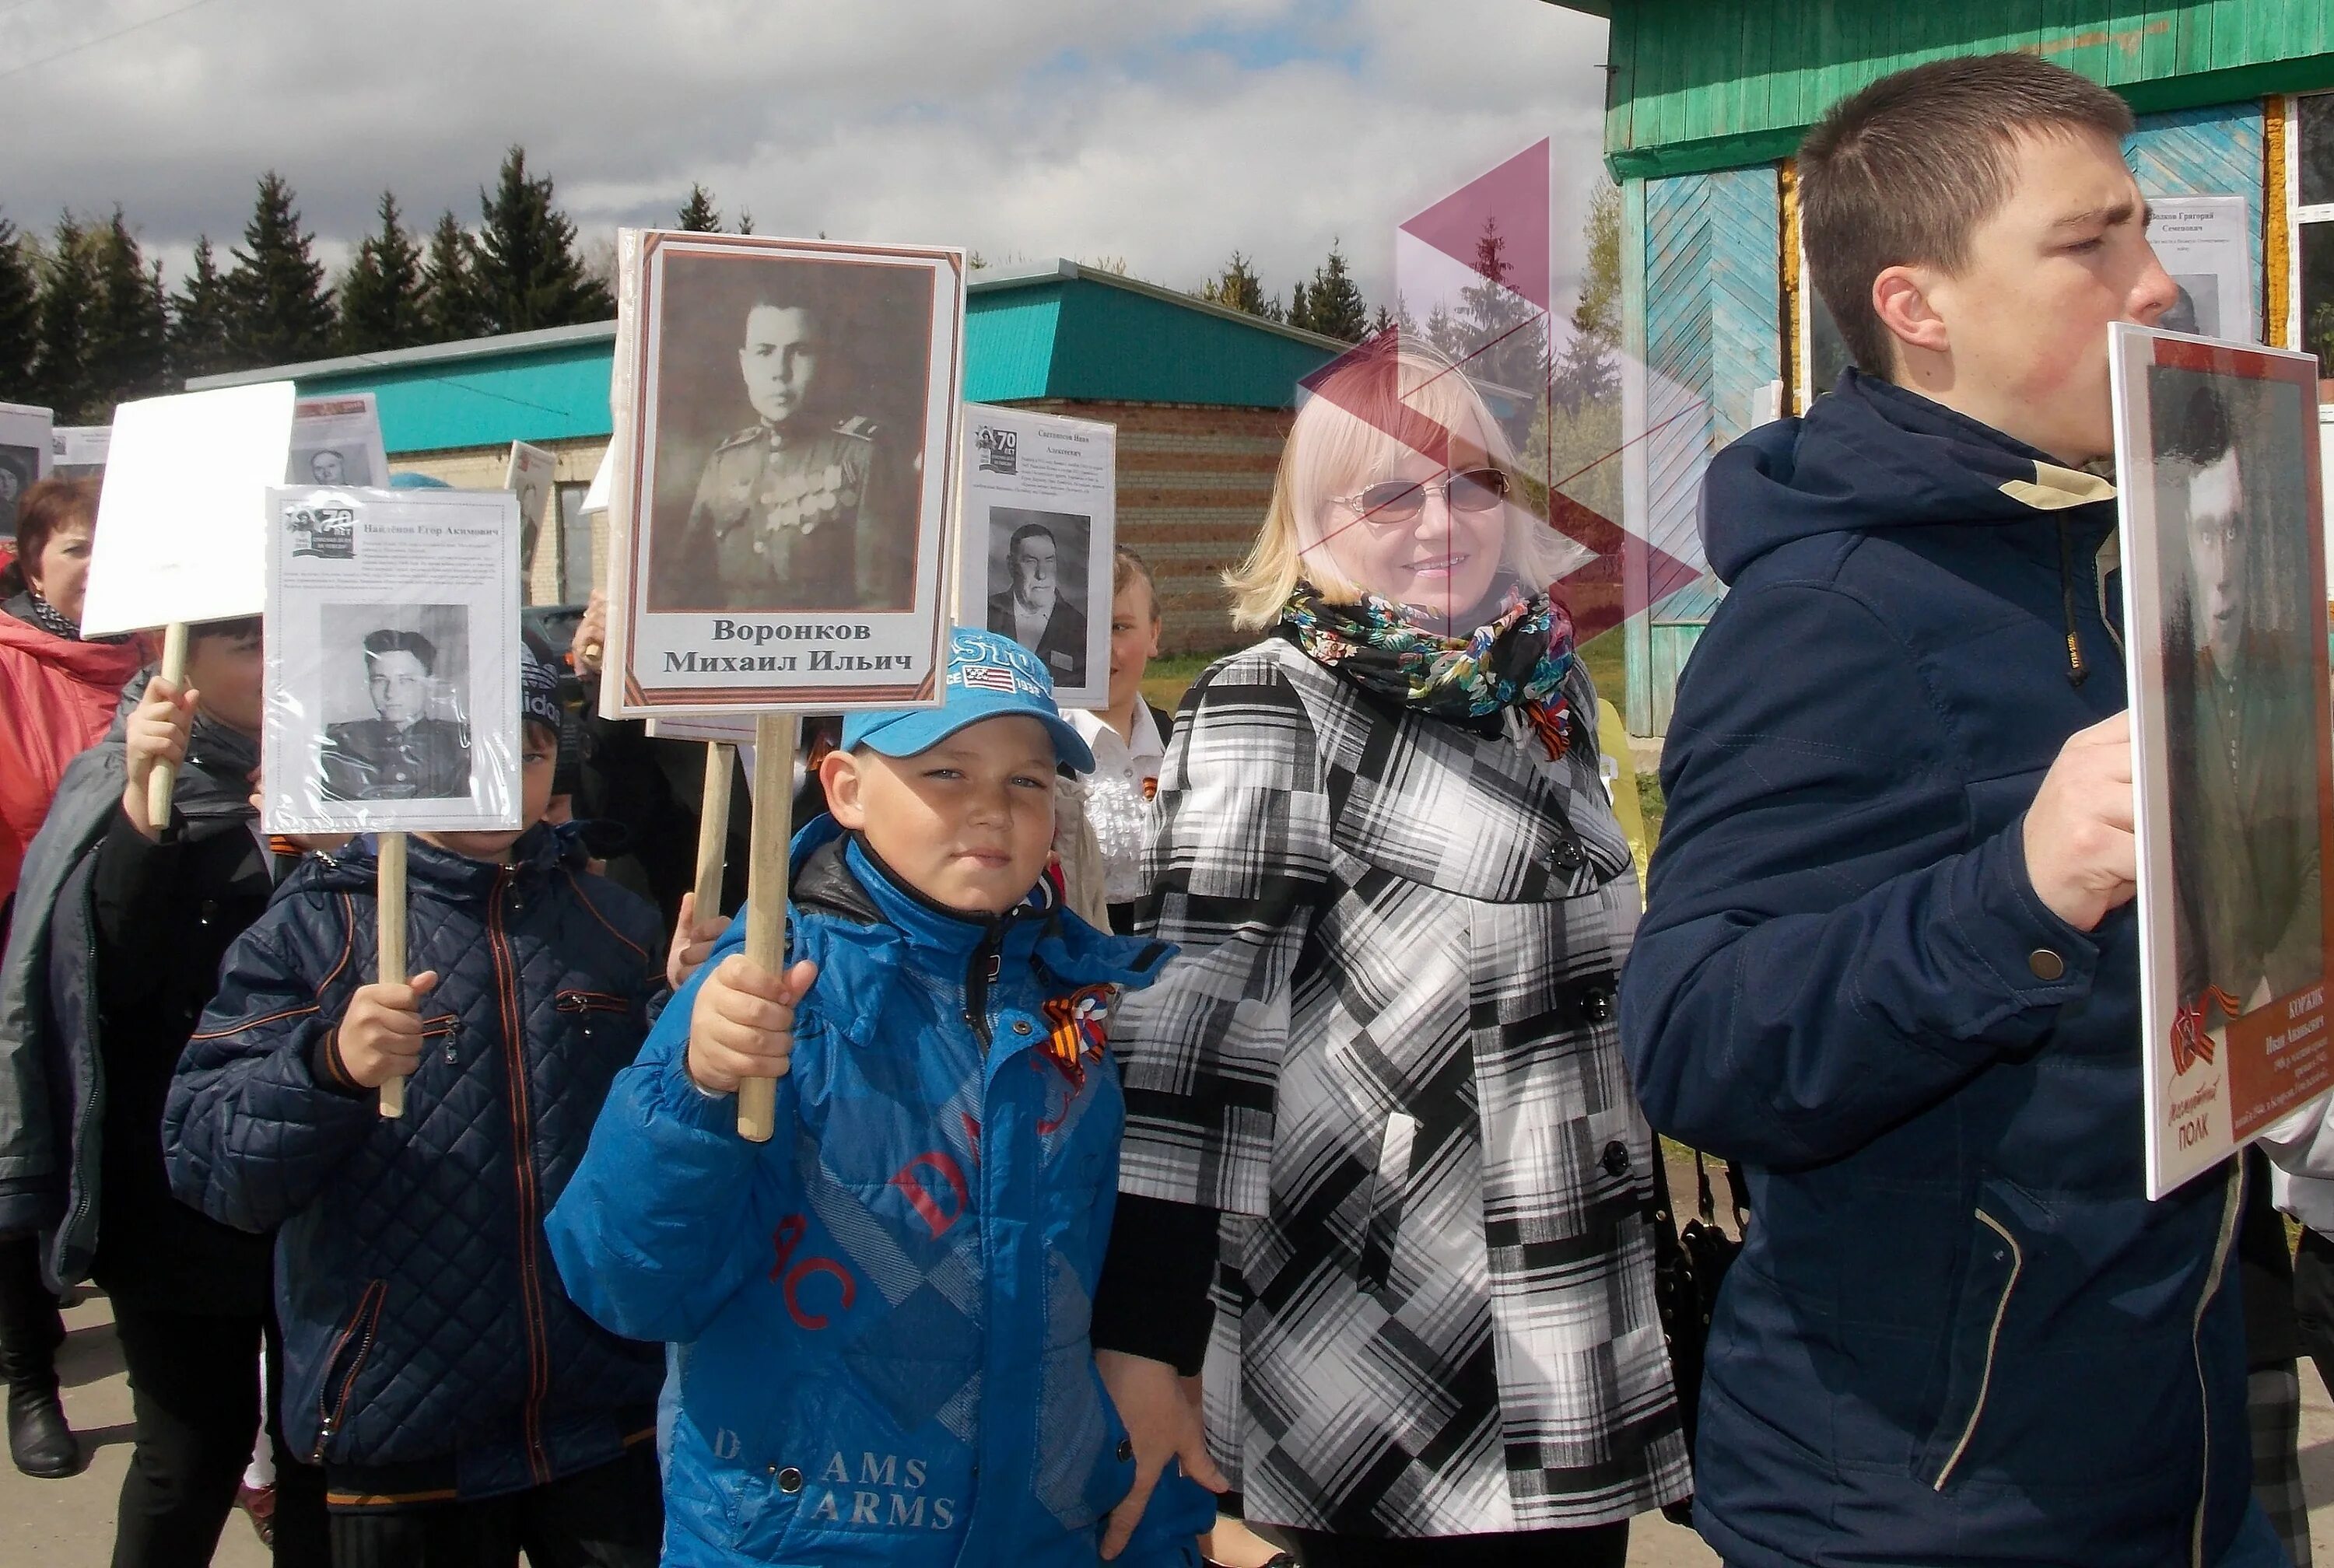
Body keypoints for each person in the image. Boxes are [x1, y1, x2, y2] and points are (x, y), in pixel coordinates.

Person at [1617, 54, 2286, 1568]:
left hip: (2176, 1453)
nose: (2160, 284)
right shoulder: (1829, 615)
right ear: (1920, 307)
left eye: (2145, 234)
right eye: (2091, 243)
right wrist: (2017, 895)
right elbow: (1693, 1040)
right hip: (1929, 1503)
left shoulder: (2135, 554)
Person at [1095, 339, 1687, 1566]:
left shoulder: (1543, 693)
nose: (1443, 520)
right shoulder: (1272, 702)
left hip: (1573, 1314)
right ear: (1310, 526)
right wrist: (1147, 1339)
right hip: (1380, 1347)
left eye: (1474, 482)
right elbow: (1191, 1048)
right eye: (1391, 493)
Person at [544, 628, 1215, 1567]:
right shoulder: (765, 988)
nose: (992, 808)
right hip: (801, 1537)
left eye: (1027, 781)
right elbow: (623, 1281)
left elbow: (1101, 1291)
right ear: (847, 789)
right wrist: (694, 1089)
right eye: (946, 773)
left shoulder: (1080, 1002)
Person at [163, 646, 668, 1566]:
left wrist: (691, 1009)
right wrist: (328, 1071)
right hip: (400, 1419)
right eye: (466, 740)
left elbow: (665, 1140)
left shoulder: (616, 923)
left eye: (532, 746)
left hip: (604, 1410)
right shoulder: (320, 925)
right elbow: (209, 1162)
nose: (500, 772)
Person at [0, 619, 333, 1564]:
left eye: (285, 635)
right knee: (191, 1450)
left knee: (321, 1450)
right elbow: (111, 984)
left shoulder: (345, 777)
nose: (278, 663)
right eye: (247, 645)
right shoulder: (120, 781)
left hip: (318, 1159)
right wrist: (147, 823)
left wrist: (323, 857)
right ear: (180, 662)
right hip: (174, 1181)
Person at [0, 477, 144, 1479]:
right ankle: (27, 1380)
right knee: (19, 1161)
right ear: (32, 559)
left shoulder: (166, 662)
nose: (97, 568)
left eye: (113, 547)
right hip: (19, 958)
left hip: (130, 960)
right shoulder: (10, 668)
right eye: (78, 547)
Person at [2158, 380, 2322, 1024]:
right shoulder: (2160, 700)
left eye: (2233, 531)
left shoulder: (2293, 681)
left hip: (2290, 1022)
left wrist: (2269, 993)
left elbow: (2320, 857)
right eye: (2204, 535)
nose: (2221, 567)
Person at [667, 292, 909, 614]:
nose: (780, 371)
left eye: (799, 352)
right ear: (744, 363)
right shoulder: (725, 460)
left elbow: (879, 603)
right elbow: (685, 590)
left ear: (824, 362)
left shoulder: (861, 456)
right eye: (764, 352)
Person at [1067, 546, 1170, 936]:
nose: (1100, 649)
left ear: (1154, 634)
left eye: (1119, 627)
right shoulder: (1038, 748)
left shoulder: (1181, 741)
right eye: (1084, 628)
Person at [318, 628, 472, 802]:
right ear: (369, 683)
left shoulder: (461, 744)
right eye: (380, 679)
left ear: (429, 684)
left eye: (406, 680)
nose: (391, 693)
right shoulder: (340, 743)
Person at [988, 521, 1088, 688]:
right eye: (1031, 561)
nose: (1042, 574)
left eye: (1049, 561)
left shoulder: (1079, 627)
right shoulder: (986, 616)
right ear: (1011, 565)